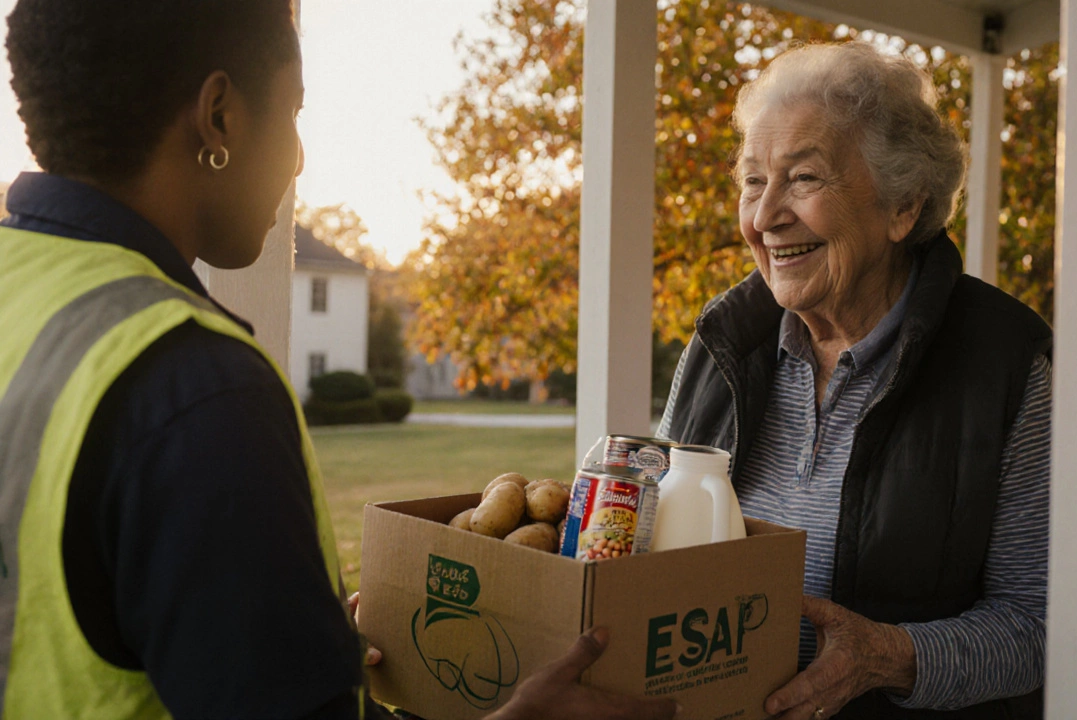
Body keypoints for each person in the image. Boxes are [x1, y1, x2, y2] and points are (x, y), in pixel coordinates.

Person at [0, 2, 677, 719]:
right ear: (220, 115)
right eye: (292, 110)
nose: (297, 155)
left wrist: (299, 652)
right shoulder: (197, 388)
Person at [658, 41, 1051, 720]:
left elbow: (1040, 624)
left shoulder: (1007, 363)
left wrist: (889, 657)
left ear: (902, 207)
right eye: (753, 181)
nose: (764, 215)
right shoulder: (721, 343)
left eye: (803, 178)